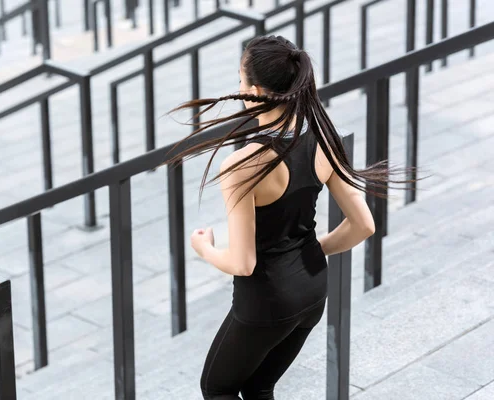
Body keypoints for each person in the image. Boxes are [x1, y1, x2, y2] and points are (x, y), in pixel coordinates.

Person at [165, 35, 421, 399]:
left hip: (266, 301)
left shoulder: (242, 165)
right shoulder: (322, 137)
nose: (237, 87)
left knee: (217, 387)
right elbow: (364, 224)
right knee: (260, 386)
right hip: (313, 291)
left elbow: (242, 262)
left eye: (239, 78)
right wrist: (314, 249)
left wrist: (202, 247)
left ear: (254, 89)